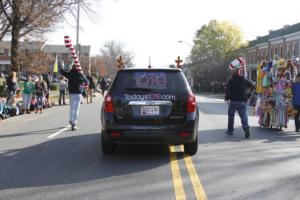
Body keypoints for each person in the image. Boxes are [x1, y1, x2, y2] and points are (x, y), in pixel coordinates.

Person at [225, 68, 254, 138]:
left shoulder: (231, 80)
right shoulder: (244, 79)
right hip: (242, 101)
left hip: (233, 101)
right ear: (239, 72)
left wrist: (227, 98)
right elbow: (252, 86)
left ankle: (230, 131)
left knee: (231, 115)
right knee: (243, 115)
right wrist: (248, 95)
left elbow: (227, 89)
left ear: (233, 73)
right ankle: (246, 127)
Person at [60, 65, 89, 131]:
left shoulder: (70, 73)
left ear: (72, 68)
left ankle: (71, 120)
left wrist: (61, 67)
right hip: (78, 93)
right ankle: (74, 123)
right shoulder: (80, 74)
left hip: (71, 93)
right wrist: (83, 84)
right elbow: (87, 81)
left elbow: (63, 72)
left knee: (72, 108)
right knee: (76, 109)